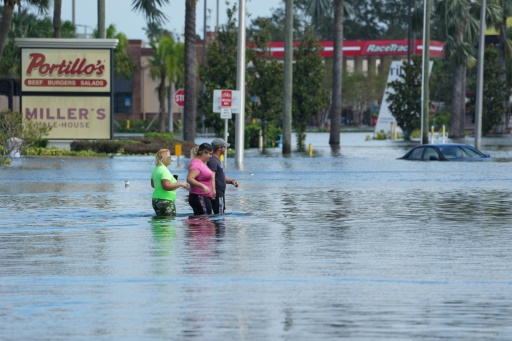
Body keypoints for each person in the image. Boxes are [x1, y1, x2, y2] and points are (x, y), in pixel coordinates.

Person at [151, 149, 189, 216]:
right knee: (168, 223)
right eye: (169, 157)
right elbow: (166, 186)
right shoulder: (164, 170)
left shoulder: (156, 169)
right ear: (165, 158)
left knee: (160, 223)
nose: (171, 159)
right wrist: (180, 184)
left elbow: (153, 184)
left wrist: (174, 182)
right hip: (165, 200)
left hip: (156, 200)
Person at [207, 138, 239, 215]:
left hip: (220, 192)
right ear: (219, 148)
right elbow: (212, 176)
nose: (225, 149)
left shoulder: (217, 160)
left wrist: (231, 181)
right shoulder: (212, 160)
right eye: (224, 147)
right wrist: (214, 191)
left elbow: (220, 176)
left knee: (220, 212)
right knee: (219, 214)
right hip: (217, 192)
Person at [187, 143, 214, 215]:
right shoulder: (196, 164)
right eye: (209, 154)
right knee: (205, 219)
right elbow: (189, 179)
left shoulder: (202, 163)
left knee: (202, 220)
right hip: (199, 196)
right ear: (204, 153)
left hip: (203, 196)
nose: (210, 156)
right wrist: (203, 186)